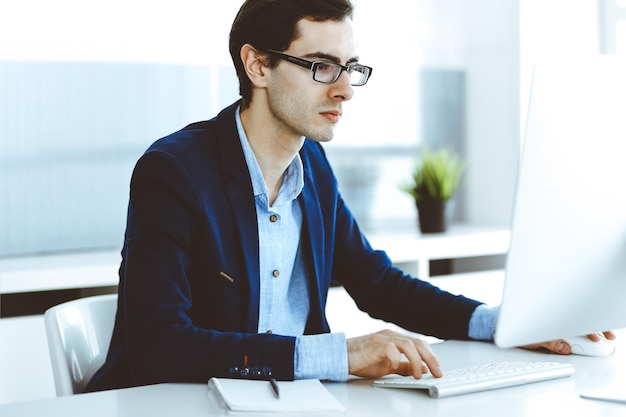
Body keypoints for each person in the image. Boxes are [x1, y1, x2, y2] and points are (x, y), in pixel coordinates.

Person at [86, 0, 613, 392]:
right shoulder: (173, 172)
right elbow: (158, 346)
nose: (344, 89)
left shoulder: (312, 165)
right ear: (258, 66)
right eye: (321, 66)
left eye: (351, 68)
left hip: (290, 402)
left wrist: (507, 324)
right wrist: (340, 354)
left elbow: (377, 282)